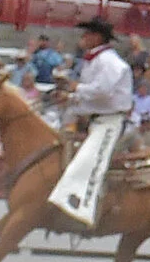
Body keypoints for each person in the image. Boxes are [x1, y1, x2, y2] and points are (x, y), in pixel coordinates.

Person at [46, 17, 133, 230]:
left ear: (96, 37)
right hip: (95, 119)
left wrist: (75, 90)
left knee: (91, 159)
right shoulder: (93, 61)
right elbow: (92, 95)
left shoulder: (109, 62)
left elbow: (103, 91)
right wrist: (71, 98)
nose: (82, 38)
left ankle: (83, 210)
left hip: (110, 122)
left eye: (86, 35)